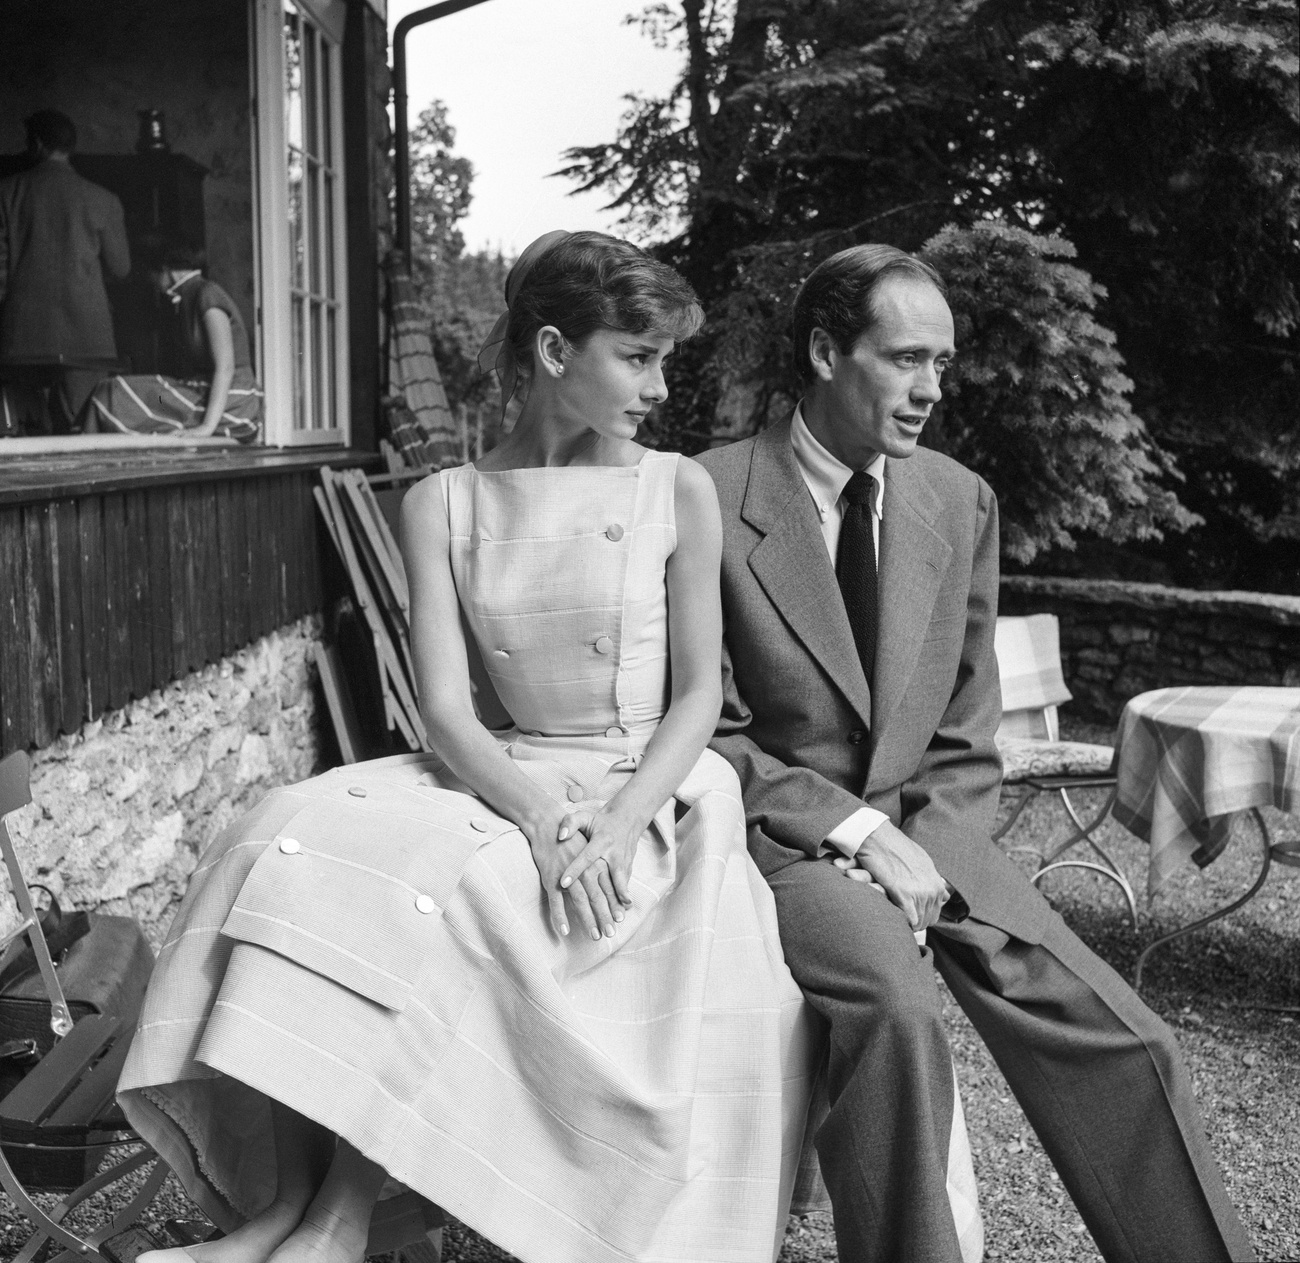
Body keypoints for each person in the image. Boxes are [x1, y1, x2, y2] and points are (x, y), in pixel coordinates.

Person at [119, 231, 822, 1263]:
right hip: (505, 769)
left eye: (663, 358)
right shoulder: (441, 502)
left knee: (449, 896)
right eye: (637, 357)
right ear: (551, 351)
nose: (660, 387)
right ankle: (287, 1210)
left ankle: (336, 1225)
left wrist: (617, 830)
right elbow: (443, 710)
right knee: (286, 834)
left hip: (640, 781)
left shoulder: (674, 489)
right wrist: (537, 818)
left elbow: (698, 696)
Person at [696, 243, 1255, 1263]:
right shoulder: (705, 496)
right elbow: (709, 732)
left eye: (942, 365)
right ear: (824, 351)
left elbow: (963, 729)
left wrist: (930, 848)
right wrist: (859, 837)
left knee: (1125, 1037)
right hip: (784, 842)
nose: (930, 391)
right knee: (902, 1024)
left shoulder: (957, 500)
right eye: (906, 359)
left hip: (933, 832)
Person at [0, 108, 129, 429]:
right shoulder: (104, 199)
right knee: (84, 430)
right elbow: (121, 268)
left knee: (22, 430)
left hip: (23, 337)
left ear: (38, 144)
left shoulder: (6, 192)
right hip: (87, 337)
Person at [85, 239, 262, 442]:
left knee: (113, 392)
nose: (152, 283)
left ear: (164, 270)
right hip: (203, 393)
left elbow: (226, 367)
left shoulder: (207, 294)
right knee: (112, 389)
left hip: (233, 402)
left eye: (152, 276)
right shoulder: (187, 296)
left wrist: (205, 428)